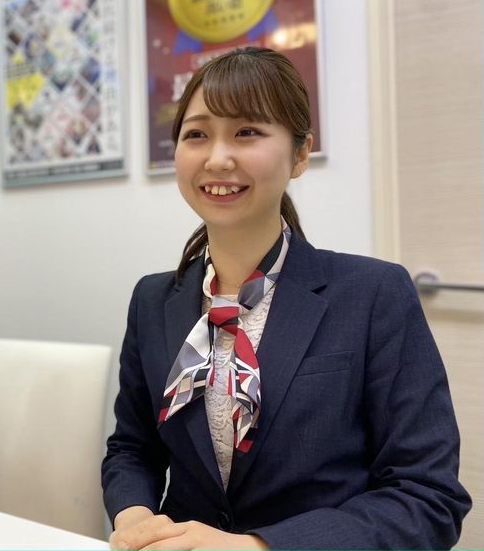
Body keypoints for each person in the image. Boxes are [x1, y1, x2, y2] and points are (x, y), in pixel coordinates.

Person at [101, 47, 471, 550]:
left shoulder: (373, 294)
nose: (217, 158)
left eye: (247, 132)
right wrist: (134, 515)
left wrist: (256, 547)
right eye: (197, 135)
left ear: (300, 154)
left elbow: (427, 497)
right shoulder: (152, 299)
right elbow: (132, 448)